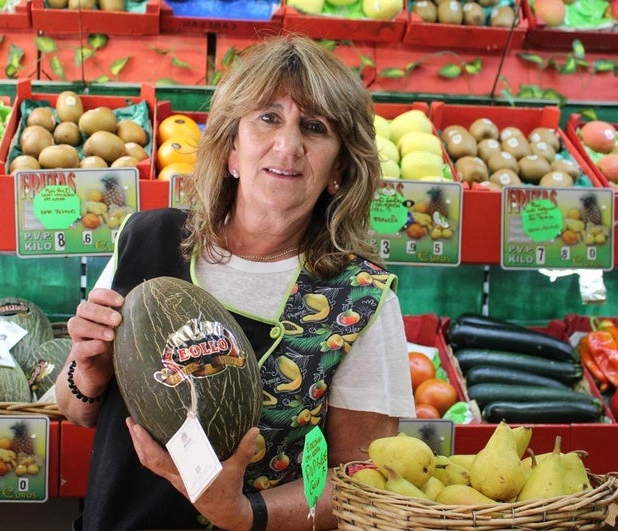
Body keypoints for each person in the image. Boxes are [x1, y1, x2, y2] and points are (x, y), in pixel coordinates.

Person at [56, 34, 415, 531]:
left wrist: (247, 514)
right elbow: (76, 408)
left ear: (338, 170)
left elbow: (362, 476)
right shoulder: (148, 238)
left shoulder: (359, 298)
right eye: (268, 118)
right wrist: (88, 374)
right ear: (230, 150)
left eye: (314, 128)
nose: (288, 145)